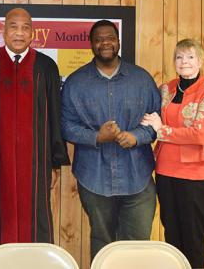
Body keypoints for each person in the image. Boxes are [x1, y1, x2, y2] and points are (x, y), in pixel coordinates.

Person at [61, 20, 161, 261]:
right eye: (99, 39)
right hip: (94, 178)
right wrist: (97, 137)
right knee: (103, 244)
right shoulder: (75, 83)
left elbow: (157, 120)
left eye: (110, 38)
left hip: (138, 177)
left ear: (118, 41)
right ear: (91, 45)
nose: (105, 42)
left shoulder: (142, 79)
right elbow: (66, 126)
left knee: (137, 246)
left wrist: (136, 137)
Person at [0, 7, 70, 248]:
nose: (19, 33)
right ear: (3, 31)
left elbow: (55, 116)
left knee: (35, 216)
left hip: (36, 162)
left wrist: (54, 162)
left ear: (33, 33)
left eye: (25, 27)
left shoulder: (46, 66)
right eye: (13, 27)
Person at [141, 39, 204, 269]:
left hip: (195, 174)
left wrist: (161, 129)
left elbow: (199, 134)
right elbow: (150, 116)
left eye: (190, 57)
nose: (184, 62)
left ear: (201, 61)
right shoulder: (166, 88)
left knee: (194, 239)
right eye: (179, 57)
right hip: (165, 170)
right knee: (172, 235)